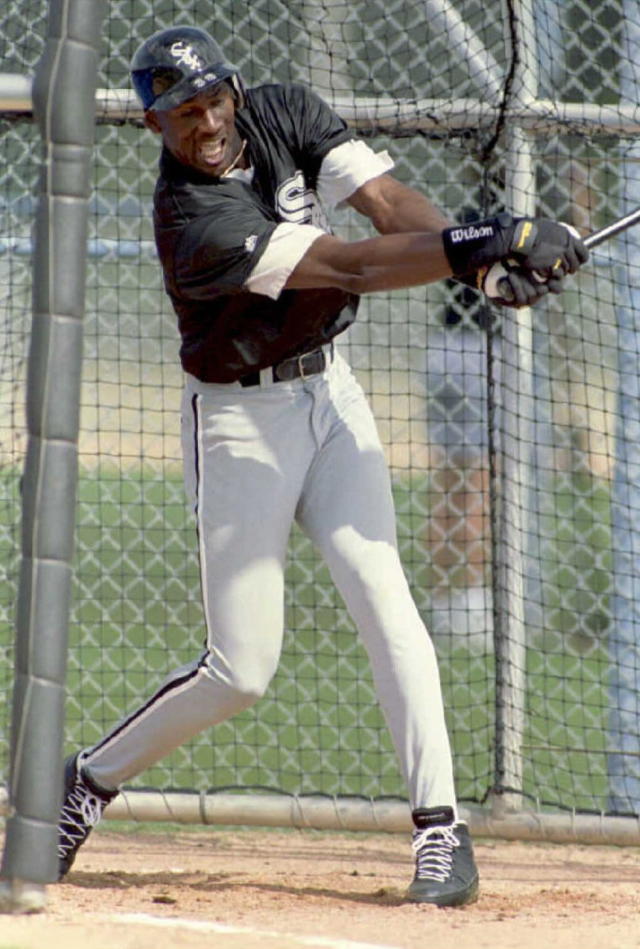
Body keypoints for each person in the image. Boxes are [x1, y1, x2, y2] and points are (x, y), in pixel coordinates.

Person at [56, 25, 588, 905]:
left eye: (215, 98)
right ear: (156, 126)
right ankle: (89, 779)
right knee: (242, 669)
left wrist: (482, 265)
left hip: (331, 398)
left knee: (388, 603)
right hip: (241, 420)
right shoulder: (195, 222)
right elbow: (349, 265)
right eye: (184, 113)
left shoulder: (284, 112)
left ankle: (440, 829)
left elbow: (386, 208)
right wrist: (482, 243)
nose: (209, 121)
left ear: (234, 89)